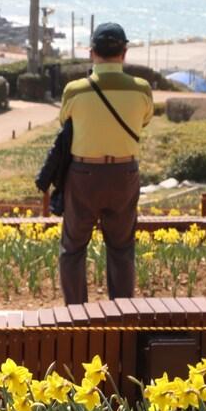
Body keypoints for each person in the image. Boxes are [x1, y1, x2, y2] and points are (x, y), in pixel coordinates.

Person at [56, 22, 154, 304]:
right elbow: (144, 121)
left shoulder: (75, 90)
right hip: (124, 172)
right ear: (124, 53)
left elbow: (65, 122)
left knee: (73, 248)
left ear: (92, 53)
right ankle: (120, 316)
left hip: (83, 173)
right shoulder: (141, 89)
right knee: (121, 248)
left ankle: (77, 316)